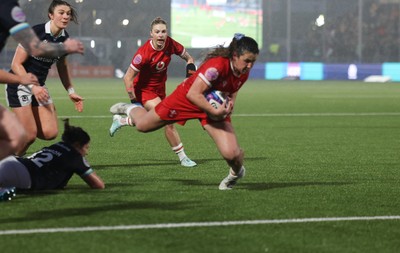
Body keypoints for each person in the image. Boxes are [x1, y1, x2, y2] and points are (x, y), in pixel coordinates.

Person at [109, 33, 259, 190]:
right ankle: (128, 108)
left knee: (232, 154)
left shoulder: (243, 71)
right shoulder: (216, 67)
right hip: (186, 99)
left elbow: (233, 89)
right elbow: (193, 94)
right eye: (247, 61)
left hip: (212, 106)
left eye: (253, 62)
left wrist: (229, 106)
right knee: (143, 126)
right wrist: (214, 112)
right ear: (235, 56)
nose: (249, 66)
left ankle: (235, 174)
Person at [0, 0, 84, 161]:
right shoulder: (36, 32)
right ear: (50, 15)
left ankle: (14, 155)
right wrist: (32, 87)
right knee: (29, 135)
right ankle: (10, 163)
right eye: (61, 12)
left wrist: (71, 91)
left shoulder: (65, 39)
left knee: (50, 133)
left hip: (39, 86)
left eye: (68, 13)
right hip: (20, 84)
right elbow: (16, 64)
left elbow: (62, 66)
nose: (66, 16)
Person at [109, 17, 197, 168]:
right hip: (144, 91)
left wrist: (189, 76)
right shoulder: (143, 54)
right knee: (168, 120)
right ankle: (183, 158)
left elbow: (189, 58)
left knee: (148, 121)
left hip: (160, 90)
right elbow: (128, 78)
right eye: (157, 32)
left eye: (163, 31)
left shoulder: (170, 43)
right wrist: (134, 103)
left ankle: (122, 120)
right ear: (151, 34)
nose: (161, 35)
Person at [0, 119, 105, 201]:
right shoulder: (75, 156)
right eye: (86, 147)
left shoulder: (55, 146)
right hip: (24, 175)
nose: (87, 153)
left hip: (13, 161)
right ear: (77, 145)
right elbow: (98, 185)